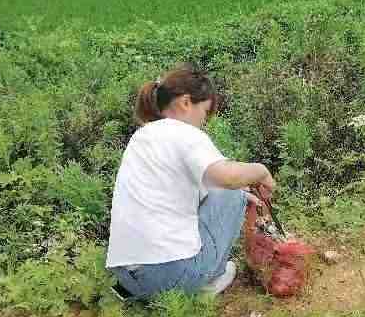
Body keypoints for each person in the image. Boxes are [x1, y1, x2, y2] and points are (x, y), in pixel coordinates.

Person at [105, 65, 276, 300]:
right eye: (204, 113)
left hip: (128, 280)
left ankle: (152, 290)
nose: (203, 122)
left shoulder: (142, 137)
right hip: (170, 278)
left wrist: (239, 197)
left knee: (232, 193)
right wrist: (261, 171)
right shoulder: (183, 132)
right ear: (186, 103)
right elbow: (228, 178)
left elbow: (195, 191)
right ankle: (207, 283)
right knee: (233, 191)